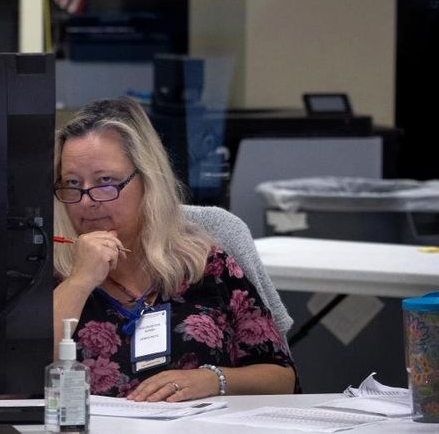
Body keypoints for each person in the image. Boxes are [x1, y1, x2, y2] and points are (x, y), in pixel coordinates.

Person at [52, 97, 297, 402]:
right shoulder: (47, 268)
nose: (87, 200)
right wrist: (79, 281)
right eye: (72, 184)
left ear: (147, 180)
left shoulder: (205, 262)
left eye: (105, 181)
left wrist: (214, 379)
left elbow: (282, 378)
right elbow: (13, 378)